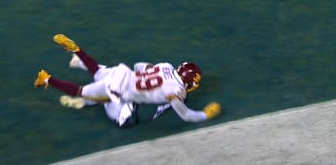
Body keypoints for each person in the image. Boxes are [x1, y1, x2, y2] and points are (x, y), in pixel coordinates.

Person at [34, 34, 221, 127]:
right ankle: (47, 79)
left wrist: (148, 72)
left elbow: (140, 65)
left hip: (124, 75)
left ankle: (77, 52)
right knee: (81, 92)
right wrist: (206, 114)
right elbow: (187, 116)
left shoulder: (166, 66)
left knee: (99, 70)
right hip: (119, 92)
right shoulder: (177, 92)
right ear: (190, 83)